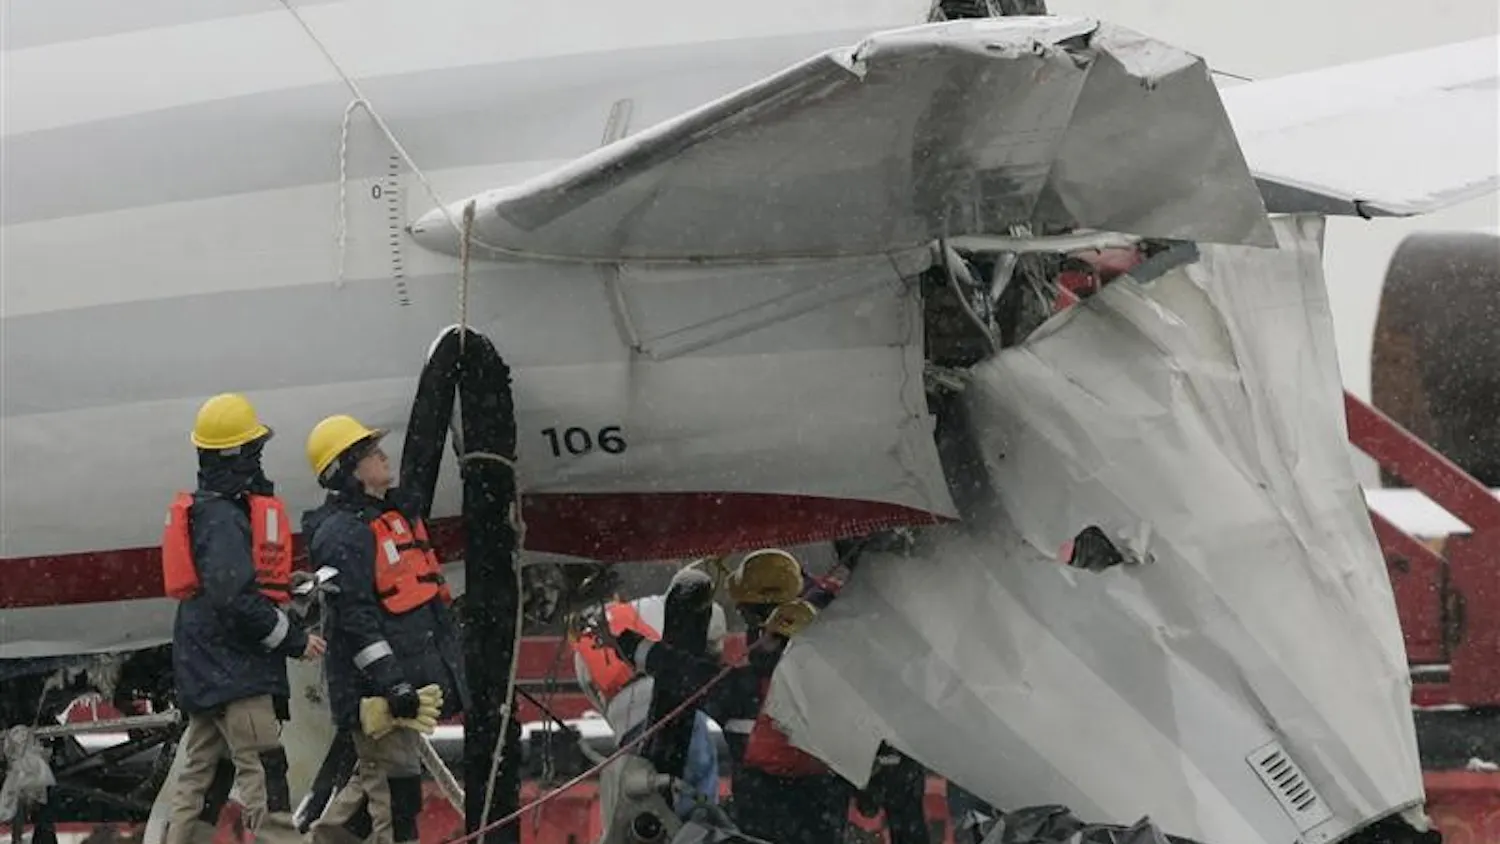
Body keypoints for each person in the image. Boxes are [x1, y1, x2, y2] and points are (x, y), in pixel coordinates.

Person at [161, 393, 325, 844]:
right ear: (239, 456)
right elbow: (234, 599)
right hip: (236, 672)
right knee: (265, 778)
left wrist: (280, 585)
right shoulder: (224, 517)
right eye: (254, 450)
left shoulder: (209, 511)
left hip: (206, 668)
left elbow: (224, 587)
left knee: (202, 780)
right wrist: (295, 639)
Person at [301, 414, 469, 844]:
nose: (383, 457)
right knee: (396, 800)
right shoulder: (344, 533)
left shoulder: (386, 519)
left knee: (373, 795)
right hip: (377, 693)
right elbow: (354, 620)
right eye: (371, 453)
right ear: (348, 469)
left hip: (397, 689)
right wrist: (393, 685)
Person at [612, 549, 853, 844]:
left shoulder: (746, 694)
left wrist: (634, 647)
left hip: (762, 832)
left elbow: (687, 675)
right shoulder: (837, 689)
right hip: (824, 830)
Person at [572, 593, 728, 821]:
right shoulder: (649, 607)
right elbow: (712, 616)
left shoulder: (581, 655)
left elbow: (602, 706)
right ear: (616, 596)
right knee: (700, 807)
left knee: (653, 814)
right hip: (677, 708)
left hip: (631, 736)